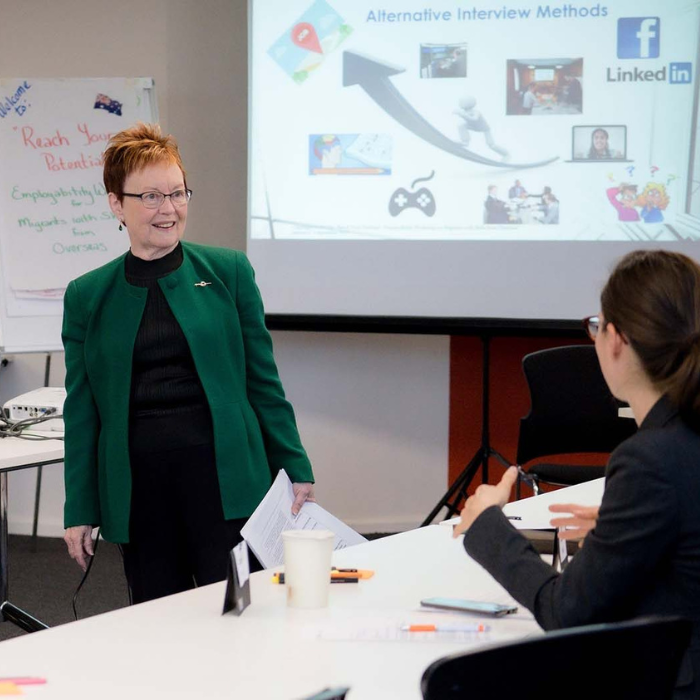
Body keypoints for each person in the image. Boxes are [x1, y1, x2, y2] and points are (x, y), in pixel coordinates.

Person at [62, 123, 316, 603]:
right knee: (158, 622)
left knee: (238, 611)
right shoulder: (86, 296)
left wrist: (294, 465)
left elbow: (263, 382)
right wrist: (80, 506)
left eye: (178, 193)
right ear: (116, 203)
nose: (170, 208)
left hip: (227, 482)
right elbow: (83, 411)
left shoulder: (229, 272)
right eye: (152, 196)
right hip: (139, 491)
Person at [454, 249, 700, 698]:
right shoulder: (681, 439)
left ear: (617, 339)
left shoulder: (649, 459)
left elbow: (565, 613)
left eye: (596, 324)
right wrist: (622, 530)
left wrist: (489, 524)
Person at [453, 96, 509, 160]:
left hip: (484, 128)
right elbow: (467, 118)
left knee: (491, 145)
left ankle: (506, 155)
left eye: (461, 103)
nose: (460, 104)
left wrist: (462, 115)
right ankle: (465, 141)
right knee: (461, 125)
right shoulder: (464, 112)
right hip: (474, 126)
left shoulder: (476, 112)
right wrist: (460, 113)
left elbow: (474, 119)